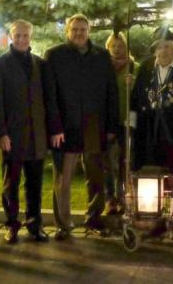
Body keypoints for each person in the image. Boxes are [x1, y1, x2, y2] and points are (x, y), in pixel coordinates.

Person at [44, 14, 120, 239]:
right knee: (63, 179)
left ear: (89, 31)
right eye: (74, 29)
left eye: (83, 29)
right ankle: (63, 223)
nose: (79, 33)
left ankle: (94, 218)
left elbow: (111, 93)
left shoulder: (101, 56)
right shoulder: (55, 55)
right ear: (67, 31)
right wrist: (55, 126)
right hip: (65, 127)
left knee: (95, 177)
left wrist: (111, 126)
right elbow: (50, 95)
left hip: (94, 126)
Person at [0, 20, 49, 244]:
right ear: (10, 36)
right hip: (12, 136)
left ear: (31, 37)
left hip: (37, 135)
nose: (22, 39)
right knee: (10, 184)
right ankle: (12, 224)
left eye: (26, 35)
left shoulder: (40, 64)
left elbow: (47, 100)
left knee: (35, 185)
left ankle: (35, 225)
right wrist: (1, 133)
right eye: (18, 35)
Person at [130, 27, 173, 174]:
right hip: (149, 128)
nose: (163, 51)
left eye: (167, 46)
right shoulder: (146, 67)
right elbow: (136, 95)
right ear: (154, 50)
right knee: (149, 170)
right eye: (159, 47)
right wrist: (132, 121)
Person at [104, 32, 134, 215]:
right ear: (108, 47)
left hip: (126, 121)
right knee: (108, 163)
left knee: (125, 162)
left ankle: (123, 197)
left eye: (120, 46)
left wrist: (133, 83)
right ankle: (110, 199)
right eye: (113, 46)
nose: (117, 49)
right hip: (108, 122)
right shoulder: (103, 67)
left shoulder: (133, 67)